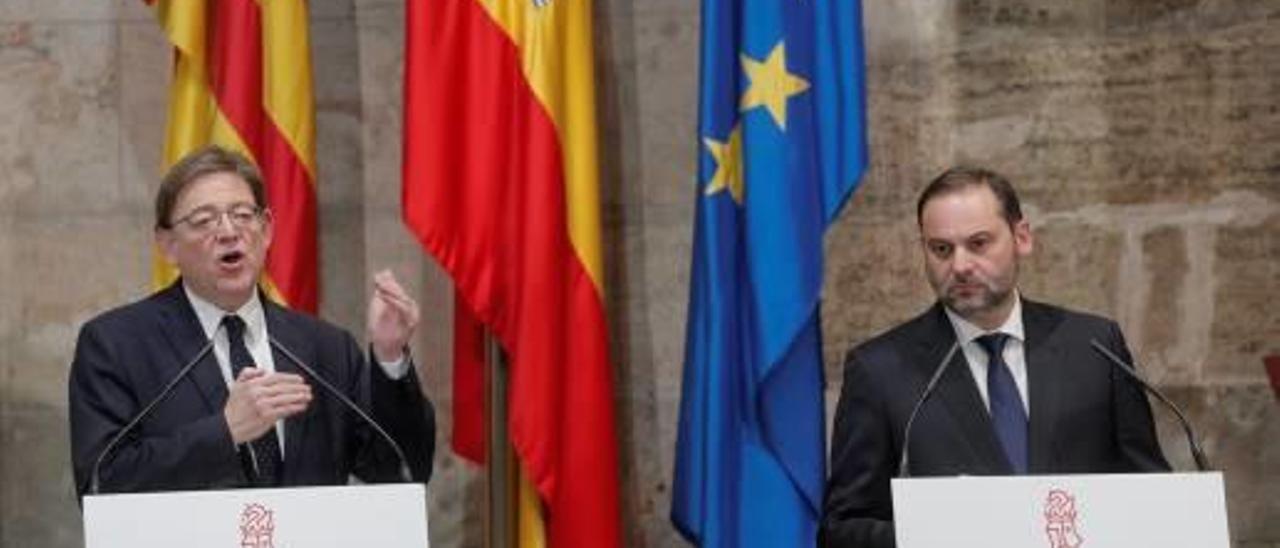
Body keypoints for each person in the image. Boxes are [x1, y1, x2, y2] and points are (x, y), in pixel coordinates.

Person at [820, 167, 1169, 547]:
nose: (960, 266)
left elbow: (1151, 491)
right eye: (941, 249)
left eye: (979, 243)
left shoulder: (1095, 347)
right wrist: (937, 537)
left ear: (1021, 237)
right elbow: (843, 530)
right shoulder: (880, 371)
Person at [69, 145, 435, 499]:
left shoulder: (326, 349)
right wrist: (224, 433)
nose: (229, 231)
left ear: (267, 230)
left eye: (243, 215)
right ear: (168, 245)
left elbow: (402, 473)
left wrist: (390, 358)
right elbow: (101, 485)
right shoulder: (117, 344)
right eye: (203, 221)